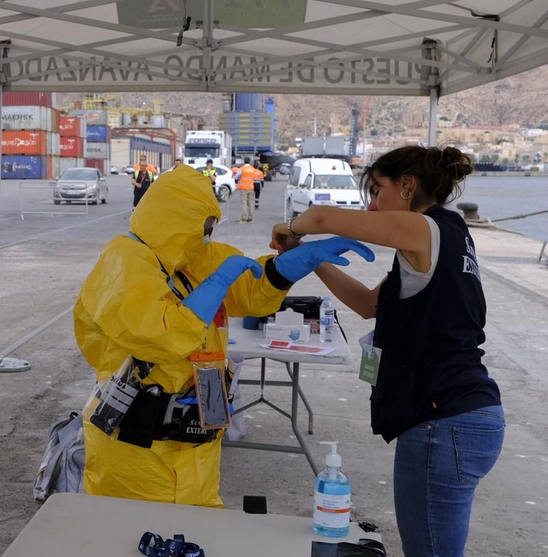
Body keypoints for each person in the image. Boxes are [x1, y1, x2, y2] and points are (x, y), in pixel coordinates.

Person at [272, 145, 501, 557]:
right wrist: (312, 261)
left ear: (407, 184)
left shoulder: (426, 229)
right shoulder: (437, 243)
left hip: (445, 422)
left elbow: (326, 215)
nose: (372, 205)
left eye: (375, 190)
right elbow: (372, 307)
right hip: (463, 416)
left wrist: (296, 228)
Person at [74, 167, 372, 509]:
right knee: (136, 540)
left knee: (195, 532)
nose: (206, 239)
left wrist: (289, 265)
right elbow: (161, 334)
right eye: (203, 230)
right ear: (175, 222)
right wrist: (216, 284)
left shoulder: (189, 257)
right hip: (137, 452)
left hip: (195, 444)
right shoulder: (122, 262)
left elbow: (251, 288)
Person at [235, 159, 258, 223]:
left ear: (244, 162)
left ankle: (244, 217)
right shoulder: (252, 169)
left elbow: (236, 177)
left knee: (244, 202)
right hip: (251, 187)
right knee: (250, 202)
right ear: (250, 162)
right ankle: (250, 217)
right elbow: (254, 177)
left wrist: (239, 178)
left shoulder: (242, 169)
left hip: (244, 188)